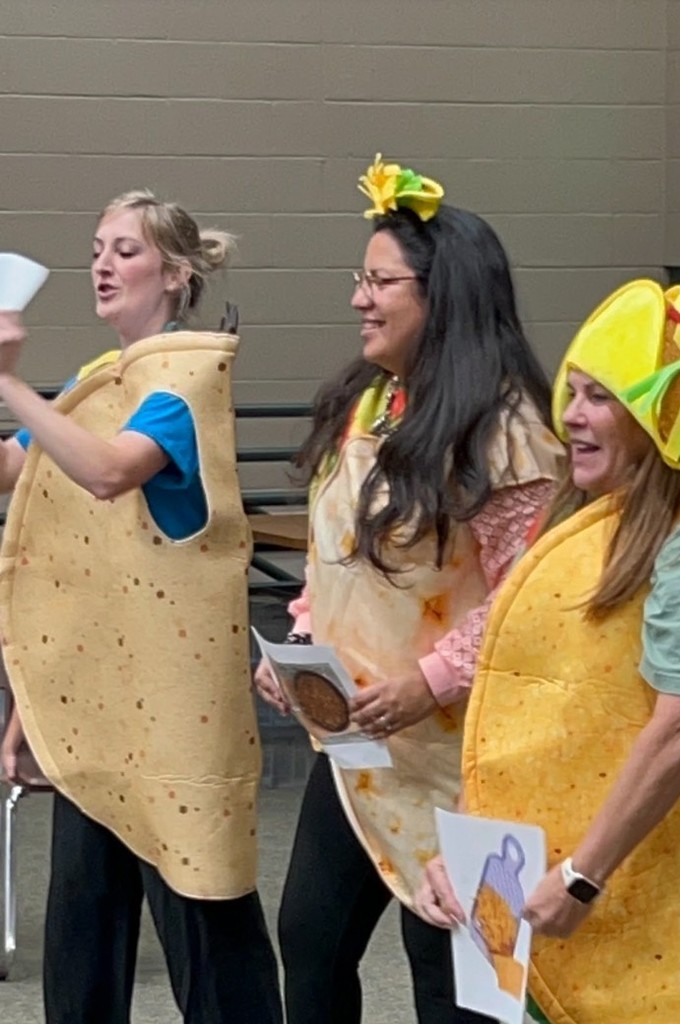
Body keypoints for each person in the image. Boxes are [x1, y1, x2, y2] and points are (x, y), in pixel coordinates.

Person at [252, 154, 565, 1024]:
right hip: (356, 746)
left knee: (452, 976)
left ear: (444, 297)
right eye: (361, 278)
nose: (360, 298)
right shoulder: (369, 405)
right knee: (310, 941)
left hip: (464, 759)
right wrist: (302, 644)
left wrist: (431, 679)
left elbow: (529, 600)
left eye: (381, 281)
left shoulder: (510, 432)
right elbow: (336, 555)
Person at [416, 279, 680, 1023]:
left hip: (653, 901)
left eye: (602, 397)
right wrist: (466, 847)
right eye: (573, 392)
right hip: (550, 882)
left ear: (664, 412)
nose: (572, 415)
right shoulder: (589, 524)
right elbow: (520, 708)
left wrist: (583, 875)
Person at [0, 190, 282, 1024]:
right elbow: (17, 469)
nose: (102, 263)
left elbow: (106, 470)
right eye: (96, 247)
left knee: (203, 912)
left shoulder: (184, 377)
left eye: (125, 249)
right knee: (82, 929)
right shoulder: (99, 382)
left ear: (176, 272)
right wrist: (28, 718)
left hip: (174, 714)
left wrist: (9, 384)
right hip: (99, 709)